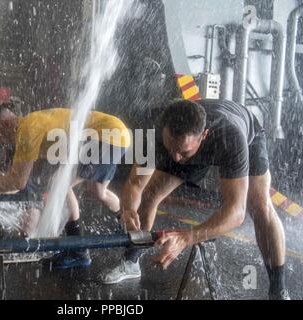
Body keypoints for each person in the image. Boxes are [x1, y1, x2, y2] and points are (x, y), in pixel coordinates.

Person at [103, 99, 290, 300]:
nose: (175, 158)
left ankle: (278, 290)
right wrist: (129, 209)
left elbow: (236, 212)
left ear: (204, 135)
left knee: (260, 206)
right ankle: (131, 261)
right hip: (193, 144)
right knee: (149, 194)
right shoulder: (152, 129)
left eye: (183, 152)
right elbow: (134, 185)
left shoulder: (231, 136)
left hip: (247, 135)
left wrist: (186, 237)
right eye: (170, 148)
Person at [0, 105, 130, 268]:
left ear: (6, 124)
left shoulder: (27, 131)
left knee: (58, 185)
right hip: (115, 133)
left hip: (106, 135)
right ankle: (123, 220)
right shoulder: (29, 125)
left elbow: (17, 182)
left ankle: (79, 251)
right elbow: (16, 182)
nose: (0, 142)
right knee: (97, 192)